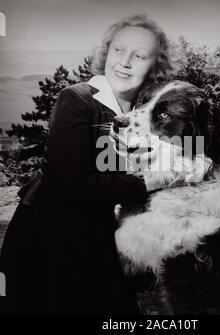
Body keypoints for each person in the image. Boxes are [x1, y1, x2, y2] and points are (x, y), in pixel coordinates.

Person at [0, 15, 174, 315]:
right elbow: (71, 183)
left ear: (155, 66)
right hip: (52, 235)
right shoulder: (77, 99)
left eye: (140, 55)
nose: (125, 62)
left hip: (103, 234)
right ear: (106, 53)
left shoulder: (151, 111)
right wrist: (153, 182)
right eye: (118, 50)